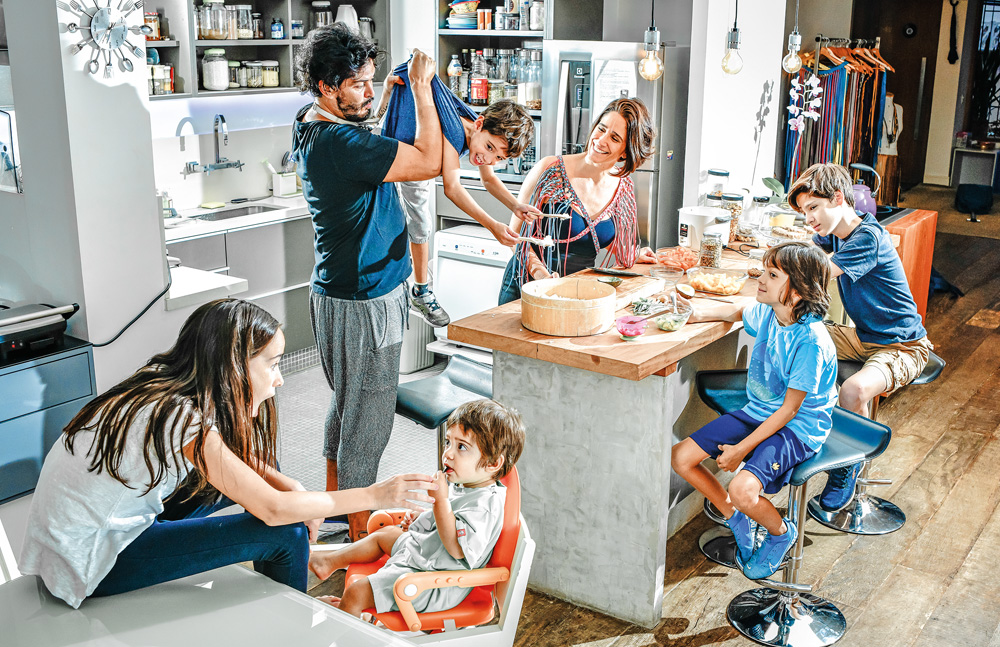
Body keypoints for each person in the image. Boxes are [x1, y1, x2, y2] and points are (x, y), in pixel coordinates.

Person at [17, 299, 437, 609]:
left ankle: (315, 561)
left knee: (243, 484)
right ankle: (289, 624)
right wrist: (376, 495)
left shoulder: (165, 387)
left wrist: (283, 482)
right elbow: (273, 511)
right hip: (90, 562)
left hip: (67, 545)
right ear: (234, 365)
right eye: (271, 365)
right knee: (283, 531)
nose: (280, 380)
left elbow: (237, 468)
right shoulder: (182, 418)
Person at [292, 25, 443, 540]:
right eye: (358, 84)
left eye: (371, 82)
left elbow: (369, 138)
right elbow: (426, 161)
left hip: (335, 293)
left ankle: (339, 509)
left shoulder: (312, 126)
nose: (369, 94)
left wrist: (384, 100)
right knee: (369, 422)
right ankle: (361, 538)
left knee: (346, 408)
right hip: (368, 299)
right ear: (324, 85)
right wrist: (421, 91)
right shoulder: (341, 143)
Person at [671, 242, 838, 580]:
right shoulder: (771, 311)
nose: (760, 279)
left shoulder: (811, 342)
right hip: (759, 411)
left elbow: (791, 410)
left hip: (799, 427)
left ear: (799, 289)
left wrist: (740, 450)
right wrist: (695, 313)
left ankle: (781, 533)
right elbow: (737, 313)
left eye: (772, 274)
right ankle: (736, 519)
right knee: (681, 457)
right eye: (764, 271)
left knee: (742, 488)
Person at [787, 162, 933, 513]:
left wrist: (778, 263)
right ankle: (798, 433)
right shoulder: (834, 233)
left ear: (838, 197)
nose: (809, 218)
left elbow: (822, 271)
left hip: (904, 345)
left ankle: (847, 467)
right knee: (793, 335)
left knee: (852, 389)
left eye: (813, 208)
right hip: (864, 338)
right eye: (805, 211)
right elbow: (813, 248)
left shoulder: (868, 237)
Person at [308, 399, 525, 618]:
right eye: (449, 442)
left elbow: (457, 548)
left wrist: (440, 501)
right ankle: (327, 562)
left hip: (434, 581)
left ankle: (348, 615)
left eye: (461, 447)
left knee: (356, 592)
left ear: (493, 464)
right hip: (427, 554)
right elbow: (453, 520)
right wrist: (424, 518)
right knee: (384, 534)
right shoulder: (470, 484)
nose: (448, 453)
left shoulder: (484, 508)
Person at [375, 60, 541, 326]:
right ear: (480, 123)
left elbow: (489, 180)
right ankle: (421, 289)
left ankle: (417, 287)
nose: (487, 159)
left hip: (411, 146)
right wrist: (492, 226)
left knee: (415, 220)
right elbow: (452, 189)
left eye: (498, 157)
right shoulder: (453, 130)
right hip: (410, 154)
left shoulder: (475, 132)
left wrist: (515, 205)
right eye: (488, 147)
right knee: (421, 221)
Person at [497, 97, 658, 305]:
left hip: (579, 293)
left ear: (626, 151)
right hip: (528, 289)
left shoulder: (622, 186)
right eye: (601, 129)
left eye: (615, 138)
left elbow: (596, 236)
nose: (601, 140)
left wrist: (632, 253)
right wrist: (541, 277)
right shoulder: (550, 170)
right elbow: (516, 236)